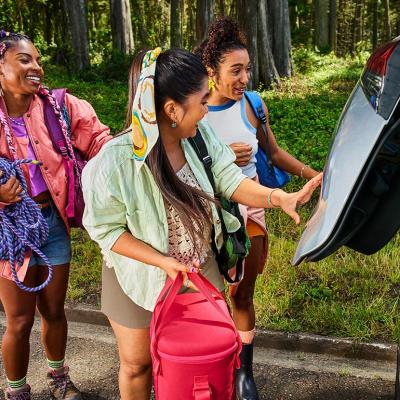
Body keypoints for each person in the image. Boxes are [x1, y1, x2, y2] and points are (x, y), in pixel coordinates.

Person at [82, 47, 321, 400]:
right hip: (136, 275)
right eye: (202, 102)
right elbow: (107, 230)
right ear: (172, 110)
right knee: (137, 364)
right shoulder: (114, 163)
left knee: (200, 360)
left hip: (196, 268)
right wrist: (162, 261)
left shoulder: (201, 139)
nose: (208, 110)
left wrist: (278, 198)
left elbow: (230, 180)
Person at [194, 16, 319, 399]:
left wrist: (314, 174)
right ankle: (213, 361)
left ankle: (243, 371)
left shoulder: (252, 104)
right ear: (212, 71)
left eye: (247, 69)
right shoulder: (193, 110)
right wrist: (220, 157)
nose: (245, 78)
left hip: (252, 212)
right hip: (206, 213)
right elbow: (181, 166)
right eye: (236, 70)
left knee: (241, 294)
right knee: (207, 296)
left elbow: (275, 152)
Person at [0, 30, 111, 400]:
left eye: (37, 60)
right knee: (18, 319)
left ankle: (59, 380)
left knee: (54, 311)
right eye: (24, 60)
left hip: (52, 224)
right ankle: (17, 391)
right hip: (12, 232)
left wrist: (129, 151)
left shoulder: (58, 107)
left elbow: (98, 140)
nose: (36, 67)